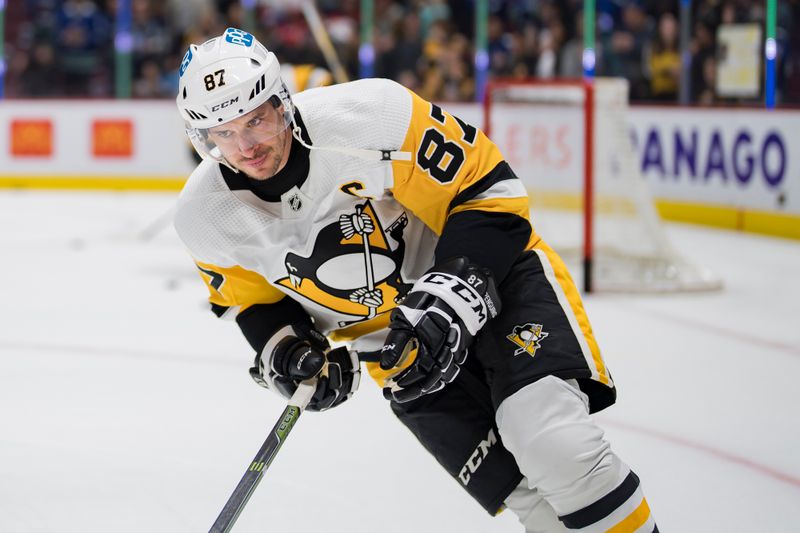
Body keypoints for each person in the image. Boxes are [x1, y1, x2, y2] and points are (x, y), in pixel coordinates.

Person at [173, 28, 659, 533]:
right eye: (223, 134)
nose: (247, 147)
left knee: (553, 445)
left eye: (257, 120)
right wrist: (289, 352)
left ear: (282, 102)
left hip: (495, 286)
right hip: (401, 355)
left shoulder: (373, 115)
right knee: (529, 498)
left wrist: (449, 295)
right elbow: (252, 303)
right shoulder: (203, 217)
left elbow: (490, 191)